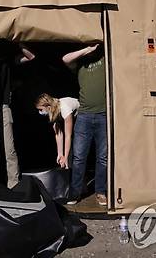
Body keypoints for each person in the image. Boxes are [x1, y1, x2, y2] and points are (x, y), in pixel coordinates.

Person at [62, 43, 107, 206]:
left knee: (103, 158)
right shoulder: (79, 65)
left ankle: (101, 192)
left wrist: (97, 49)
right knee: (79, 157)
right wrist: (86, 50)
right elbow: (65, 59)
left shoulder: (104, 59)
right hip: (84, 116)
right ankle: (75, 193)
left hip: (103, 115)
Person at [0, 41, 35, 188]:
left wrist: (19, 42)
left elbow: (31, 56)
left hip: (3, 106)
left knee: (9, 148)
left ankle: (13, 184)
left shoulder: (6, 56)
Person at [35, 93, 79, 169]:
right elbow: (58, 133)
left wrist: (66, 157)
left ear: (48, 106)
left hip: (82, 115)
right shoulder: (53, 110)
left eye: (41, 109)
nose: (40, 112)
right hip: (72, 118)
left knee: (75, 149)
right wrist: (60, 154)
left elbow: (68, 136)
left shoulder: (64, 108)